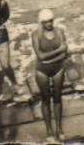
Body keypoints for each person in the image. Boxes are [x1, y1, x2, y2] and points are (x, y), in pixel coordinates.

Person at [31, 8, 69, 142]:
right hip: (42, 71)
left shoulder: (59, 32)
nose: (49, 24)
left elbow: (65, 54)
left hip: (57, 69)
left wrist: (48, 60)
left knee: (57, 98)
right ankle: (49, 130)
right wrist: (58, 51)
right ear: (41, 23)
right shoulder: (36, 35)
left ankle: (59, 128)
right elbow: (40, 56)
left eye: (51, 21)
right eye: (46, 22)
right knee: (45, 100)